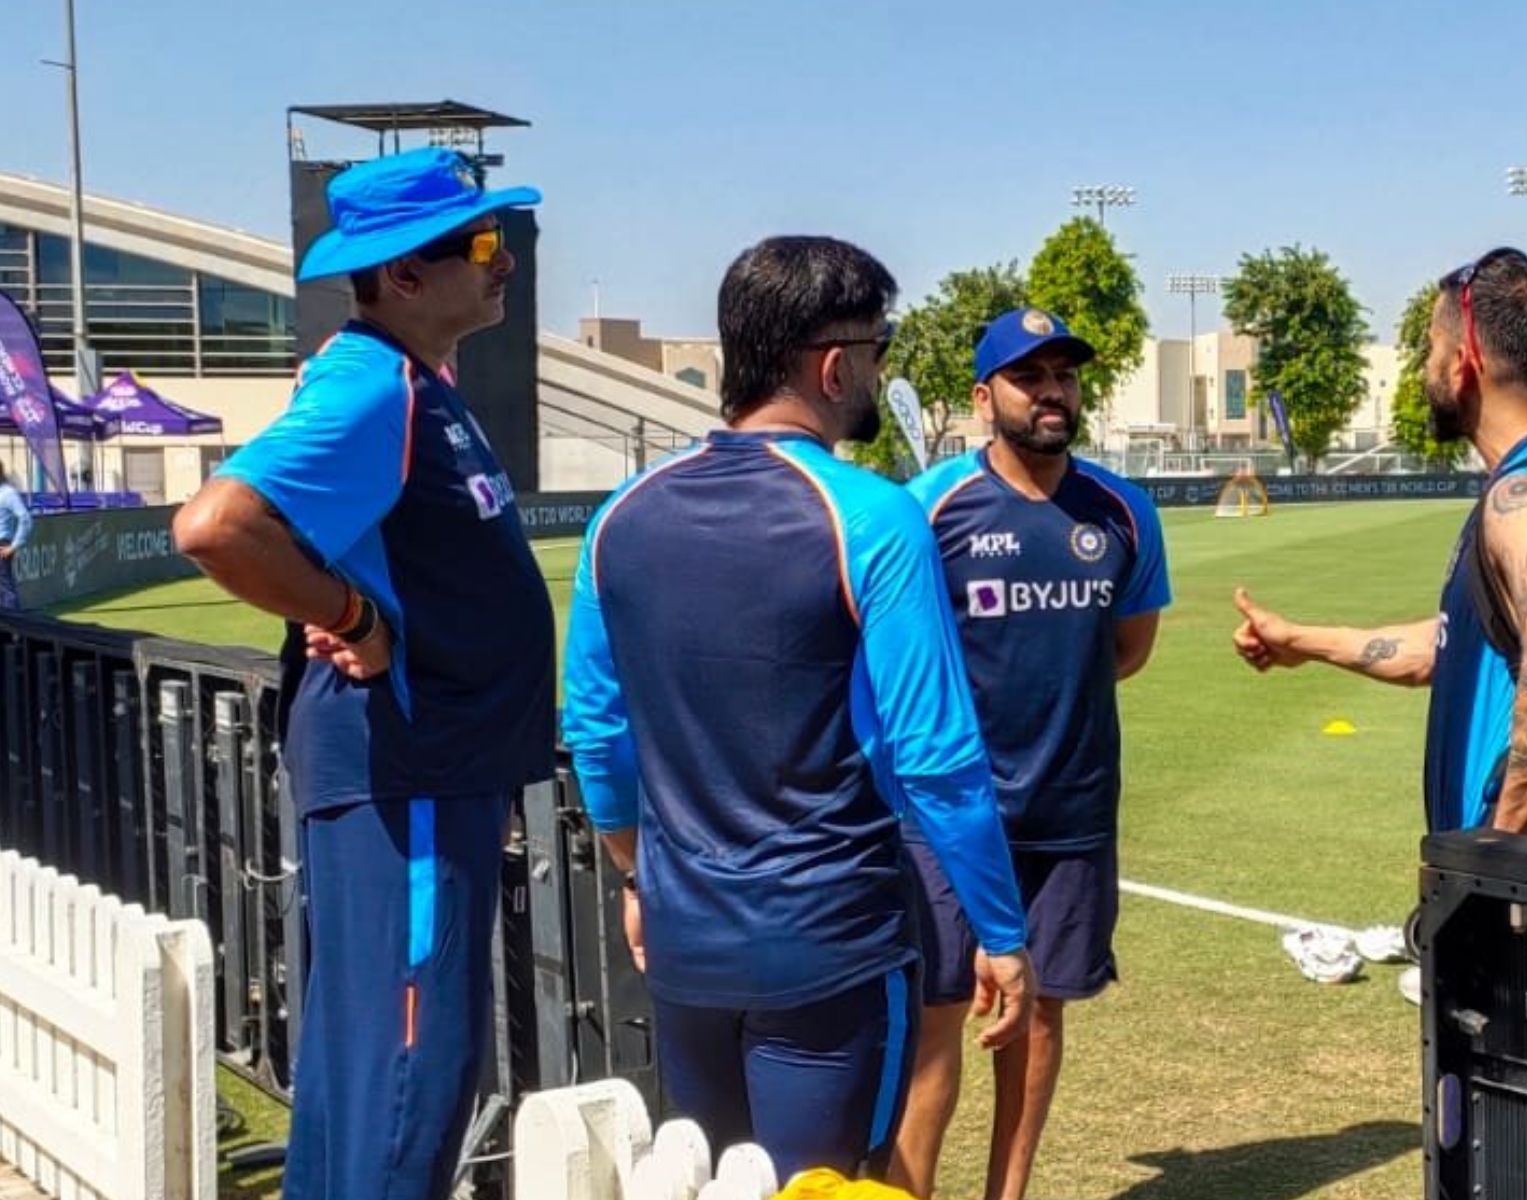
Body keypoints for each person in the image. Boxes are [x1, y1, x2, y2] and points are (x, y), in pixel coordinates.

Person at [562, 236, 1037, 1184]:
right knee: (829, 1186)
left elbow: (596, 736)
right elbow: (938, 760)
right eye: (879, 345)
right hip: (832, 947)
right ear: (832, 364)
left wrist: (635, 876)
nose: (880, 366)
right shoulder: (869, 515)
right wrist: (1002, 934)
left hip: (689, 949)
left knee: (720, 1179)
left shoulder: (621, 516)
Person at [172, 147, 552, 1200]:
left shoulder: (418, 384)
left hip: (430, 778)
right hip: (407, 784)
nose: (502, 261)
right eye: (478, 244)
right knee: (407, 1088)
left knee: (371, 1079)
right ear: (404, 277)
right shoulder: (371, 382)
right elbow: (217, 525)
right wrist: (353, 618)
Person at [891, 309, 1171, 1200]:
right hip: (944, 815)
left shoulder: (1124, 511)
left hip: (1071, 807)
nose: (1052, 392)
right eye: (1028, 376)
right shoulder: (929, 508)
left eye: (1065, 375)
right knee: (937, 1019)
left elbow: (1126, 649)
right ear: (985, 398)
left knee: (1040, 1015)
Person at [1233, 248, 1527, 846]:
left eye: (1429, 350)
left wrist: (1499, 852)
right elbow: (1448, 648)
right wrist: (1302, 641)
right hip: (1518, 881)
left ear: (1464, 363)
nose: (1424, 369)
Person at [0, 466, 32, 611]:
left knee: (6, 591)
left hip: (2, 545)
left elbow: (25, 518)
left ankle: (15, 630)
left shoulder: (8, 493)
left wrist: (14, 546)